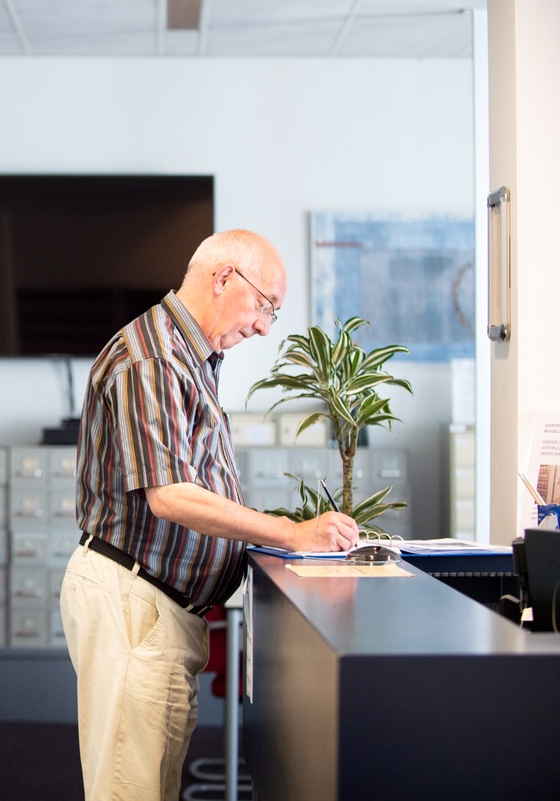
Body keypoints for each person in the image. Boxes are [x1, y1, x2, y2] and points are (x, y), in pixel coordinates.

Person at [59, 229, 359, 801]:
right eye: (266, 306)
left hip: (155, 605)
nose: (265, 327)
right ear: (224, 278)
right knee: (131, 789)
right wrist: (289, 532)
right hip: (135, 603)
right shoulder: (153, 359)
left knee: (151, 783)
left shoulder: (191, 355)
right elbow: (169, 494)